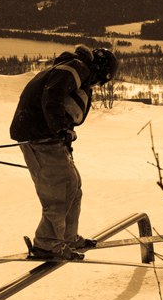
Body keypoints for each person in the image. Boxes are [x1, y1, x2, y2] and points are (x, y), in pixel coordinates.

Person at [10, 45, 119, 261]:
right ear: (99, 70)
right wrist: (61, 128)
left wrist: (64, 135)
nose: (97, 85)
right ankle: (47, 245)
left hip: (45, 135)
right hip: (39, 135)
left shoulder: (73, 68)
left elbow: (56, 99)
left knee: (73, 184)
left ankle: (67, 238)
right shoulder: (77, 68)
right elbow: (53, 95)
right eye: (101, 80)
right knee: (58, 190)